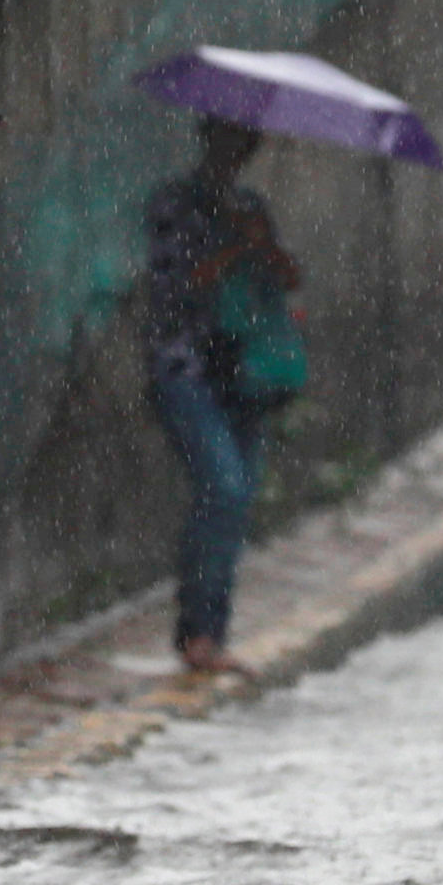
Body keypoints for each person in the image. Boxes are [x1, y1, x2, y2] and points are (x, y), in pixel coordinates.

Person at [144, 118, 300, 674]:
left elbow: (284, 279)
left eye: (248, 140)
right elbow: (175, 286)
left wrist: (263, 247)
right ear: (208, 136)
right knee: (223, 486)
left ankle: (211, 631)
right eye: (230, 138)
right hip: (187, 369)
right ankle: (196, 634)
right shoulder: (173, 203)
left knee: (237, 498)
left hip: (244, 373)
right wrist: (232, 251)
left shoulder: (249, 203)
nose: (239, 150)